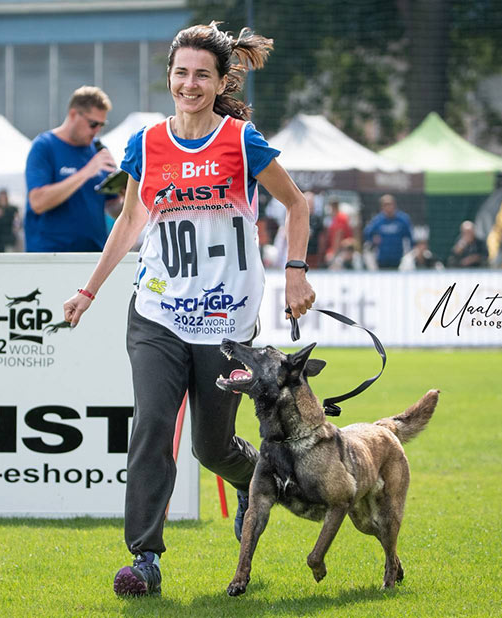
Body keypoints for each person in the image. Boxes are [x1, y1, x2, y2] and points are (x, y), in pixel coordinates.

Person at [62, 22, 315, 597]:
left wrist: (295, 270)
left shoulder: (242, 142)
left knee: (210, 446)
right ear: (169, 78)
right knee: (152, 424)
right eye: (181, 73)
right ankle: (144, 558)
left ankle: (258, 479)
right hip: (157, 312)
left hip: (227, 322)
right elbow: (130, 222)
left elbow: (297, 204)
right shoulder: (146, 146)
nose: (190, 84)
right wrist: (89, 290)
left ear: (222, 80)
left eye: (202, 74)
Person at [24, 86, 119, 252]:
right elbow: (37, 202)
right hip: (50, 255)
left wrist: (130, 194)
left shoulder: (98, 150)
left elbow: (112, 206)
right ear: (74, 114)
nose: (97, 131)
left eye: (102, 125)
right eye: (93, 124)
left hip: (94, 255)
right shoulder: (44, 146)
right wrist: (86, 172)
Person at [363, 194, 414, 269]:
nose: (388, 207)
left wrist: (408, 253)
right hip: (382, 258)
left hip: (398, 258)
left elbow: (410, 237)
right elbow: (367, 234)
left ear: (394, 205)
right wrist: (373, 239)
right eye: (385, 205)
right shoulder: (377, 221)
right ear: (382, 207)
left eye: (390, 204)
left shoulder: (402, 220)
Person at [323, 198, 353, 265]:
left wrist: (333, 253)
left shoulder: (341, 217)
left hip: (343, 249)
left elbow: (338, 236)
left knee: (334, 262)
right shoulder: (334, 218)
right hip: (336, 249)